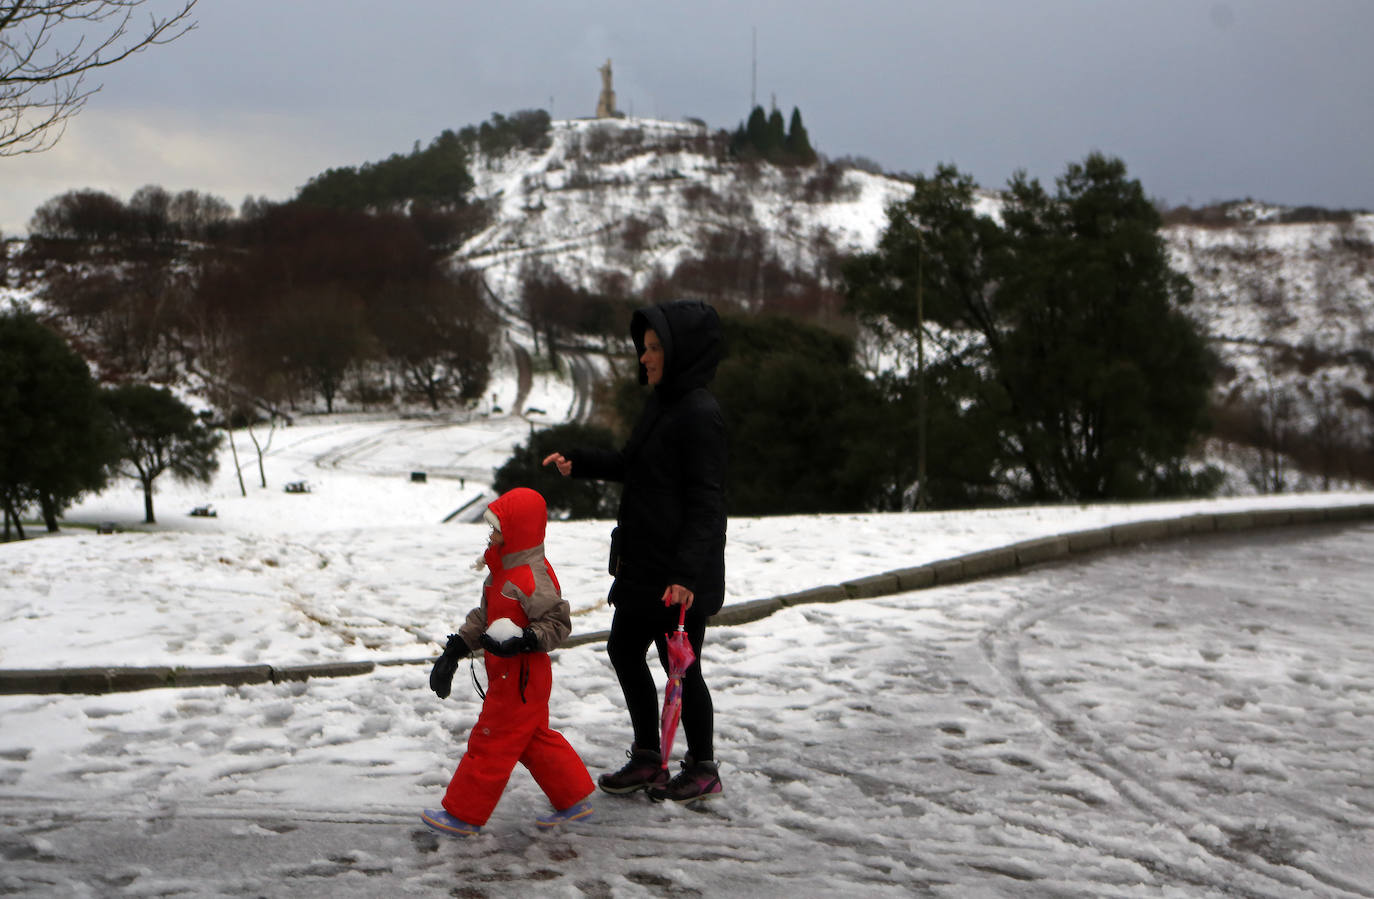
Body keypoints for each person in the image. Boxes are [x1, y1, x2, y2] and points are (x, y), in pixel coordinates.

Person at [543, 299, 727, 803]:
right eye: (642, 347)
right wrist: (578, 462)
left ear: (680, 351)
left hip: (677, 575)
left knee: (681, 669)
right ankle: (649, 755)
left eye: (653, 348)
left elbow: (707, 504)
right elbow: (633, 463)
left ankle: (703, 765)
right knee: (624, 650)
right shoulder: (663, 404)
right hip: (642, 565)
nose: (643, 357)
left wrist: (688, 575)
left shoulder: (699, 413)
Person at [422, 486, 595, 836]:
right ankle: (574, 800)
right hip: (507, 676)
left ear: (518, 529)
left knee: (491, 740)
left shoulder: (532, 577)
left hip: (522, 678)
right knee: (533, 740)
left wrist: (526, 639)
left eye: (497, 526)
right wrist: (455, 650)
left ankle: (463, 815)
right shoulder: (500, 570)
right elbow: (484, 617)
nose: (491, 533)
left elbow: (557, 623)